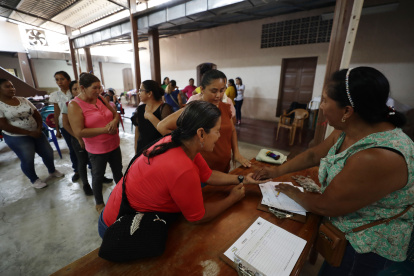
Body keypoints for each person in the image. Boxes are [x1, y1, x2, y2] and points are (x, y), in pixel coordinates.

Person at [253, 67, 414, 276]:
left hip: (365, 246)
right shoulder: (348, 128)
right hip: (345, 231)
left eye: (325, 101)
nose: (321, 107)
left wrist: (293, 192)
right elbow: (313, 155)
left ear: (347, 111)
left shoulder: (377, 156)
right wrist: (276, 171)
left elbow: (326, 205)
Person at [99, 101, 265, 240]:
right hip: (119, 225)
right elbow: (198, 217)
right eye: (217, 131)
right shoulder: (182, 168)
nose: (219, 136)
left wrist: (242, 179)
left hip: (119, 208)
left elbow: (208, 175)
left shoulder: (179, 141)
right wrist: (232, 199)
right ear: (201, 133)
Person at [158, 69, 251, 173]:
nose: (218, 96)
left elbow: (232, 130)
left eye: (222, 90)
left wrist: (236, 153)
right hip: (201, 171)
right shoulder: (194, 109)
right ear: (202, 89)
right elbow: (162, 126)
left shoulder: (225, 107)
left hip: (223, 167)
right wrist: (185, 148)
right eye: (214, 91)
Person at [68, 73, 123, 213]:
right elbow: (79, 131)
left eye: (100, 87)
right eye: (94, 87)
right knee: (98, 175)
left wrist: (114, 122)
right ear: (82, 88)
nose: (99, 91)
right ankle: (99, 202)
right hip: (97, 149)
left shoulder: (99, 98)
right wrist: (105, 129)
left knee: (118, 171)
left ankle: (123, 195)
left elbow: (115, 113)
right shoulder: (75, 105)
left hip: (114, 143)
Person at [0, 79, 64, 188]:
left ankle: (52, 171)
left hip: (36, 132)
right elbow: (3, 125)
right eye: (7, 86)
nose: (12, 89)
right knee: (27, 157)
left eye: (12, 86)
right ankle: (34, 179)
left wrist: (39, 128)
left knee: (48, 152)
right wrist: (28, 133)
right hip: (17, 137)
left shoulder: (23, 100)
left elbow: (36, 115)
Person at [49, 71, 79, 182]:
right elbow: (56, 113)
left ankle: (91, 168)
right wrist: (57, 129)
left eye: (62, 79)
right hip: (64, 125)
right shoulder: (55, 95)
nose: (59, 82)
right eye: (57, 79)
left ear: (68, 80)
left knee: (86, 147)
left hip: (78, 123)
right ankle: (76, 170)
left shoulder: (75, 91)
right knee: (72, 148)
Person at [131, 80, 173, 155]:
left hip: (158, 151)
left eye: (141, 90)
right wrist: (136, 151)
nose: (138, 93)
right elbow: (137, 132)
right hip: (142, 150)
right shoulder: (140, 109)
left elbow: (168, 134)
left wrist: (150, 116)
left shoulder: (164, 109)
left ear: (149, 93)